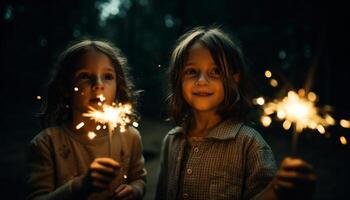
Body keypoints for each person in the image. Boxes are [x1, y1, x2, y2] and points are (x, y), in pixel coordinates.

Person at [155, 26, 316, 200]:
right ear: (178, 79)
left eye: (216, 71)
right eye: (192, 71)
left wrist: (277, 190)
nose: (202, 81)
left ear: (234, 78)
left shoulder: (250, 146)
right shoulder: (171, 141)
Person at [26, 40, 147, 200]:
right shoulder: (46, 144)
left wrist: (135, 190)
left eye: (108, 76)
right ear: (65, 87)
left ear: (118, 86)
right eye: (84, 76)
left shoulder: (130, 137)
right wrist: (78, 186)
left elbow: (139, 179)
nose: (98, 85)